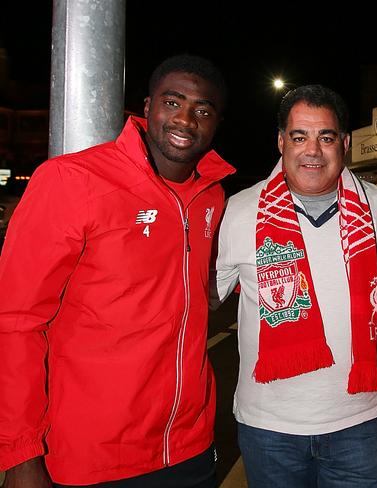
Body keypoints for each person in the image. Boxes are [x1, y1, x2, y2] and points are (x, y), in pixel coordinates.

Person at [0, 54, 235, 487]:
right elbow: (16, 322)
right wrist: (20, 454)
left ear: (216, 122)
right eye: (172, 102)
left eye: (202, 110)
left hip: (190, 449)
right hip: (93, 458)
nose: (185, 120)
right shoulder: (71, 180)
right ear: (146, 107)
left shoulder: (212, 196)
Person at [214, 84, 377, 488]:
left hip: (360, 423)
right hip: (269, 429)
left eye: (326, 137)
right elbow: (202, 297)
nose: (312, 150)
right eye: (299, 136)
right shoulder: (238, 211)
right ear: (281, 141)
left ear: (346, 143)